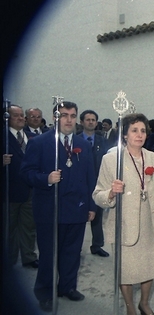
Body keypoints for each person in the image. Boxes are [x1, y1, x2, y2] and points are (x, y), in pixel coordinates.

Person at [20, 101, 96, 312]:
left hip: (77, 208)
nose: (69, 119)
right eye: (64, 115)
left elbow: (91, 177)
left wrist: (91, 206)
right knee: (48, 254)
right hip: (49, 209)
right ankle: (45, 291)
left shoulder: (84, 144)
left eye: (72, 115)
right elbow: (26, 173)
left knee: (72, 252)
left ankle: (67, 287)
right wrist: (46, 178)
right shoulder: (40, 143)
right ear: (55, 118)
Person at [93, 113, 154, 315]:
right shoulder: (111, 160)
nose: (139, 135)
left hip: (149, 223)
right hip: (124, 224)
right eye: (134, 130)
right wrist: (111, 192)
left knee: (149, 267)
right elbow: (97, 195)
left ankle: (144, 303)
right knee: (125, 271)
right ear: (125, 134)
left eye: (143, 130)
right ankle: (129, 306)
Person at [2, 105, 38, 268]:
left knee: (28, 226)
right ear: (8, 118)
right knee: (9, 227)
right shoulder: (4, 137)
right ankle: (9, 258)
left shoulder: (31, 137)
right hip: (8, 191)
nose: (20, 118)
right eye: (16, 115)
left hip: (29, 190)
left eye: (22, 115)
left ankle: (28, 256)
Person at [78, 109, 109, 257]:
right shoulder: (75, 140)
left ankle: (97, 245)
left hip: (98, 183)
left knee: (97, 215)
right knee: (78, 216)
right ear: (82, 122)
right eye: (88, 119)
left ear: (96, 123)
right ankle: (75, 246)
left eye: (93, 120)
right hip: (79, 184)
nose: (90, 122)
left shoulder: (103, 141)